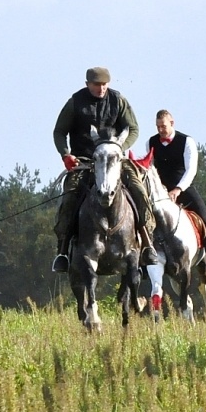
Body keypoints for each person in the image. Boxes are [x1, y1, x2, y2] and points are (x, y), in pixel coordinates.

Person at [50, 67, 162, 273]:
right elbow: (59, 131)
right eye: (96, 85)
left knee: (138, 189)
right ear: (87, 84)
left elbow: (133, 129)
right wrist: (65, 154)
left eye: (104, 85)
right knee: (69, 197)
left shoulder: (118, 100)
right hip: (83, 160)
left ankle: (147, 244)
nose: (101, 88)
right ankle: (63, 251)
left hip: (114, 159)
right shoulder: (75, 102)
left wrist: (119, 148)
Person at [147, 110, 206, 276]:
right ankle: (143, 260)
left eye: (163, 126)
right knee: (141, 218)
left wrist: (178, 189)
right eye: (158, 127)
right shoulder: (151, 142)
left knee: (204, 217)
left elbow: (191, 170)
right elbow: (150, 168)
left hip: (183, 188)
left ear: (172, 123)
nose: (160, 130)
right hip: (160, 192)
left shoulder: (187, 141)